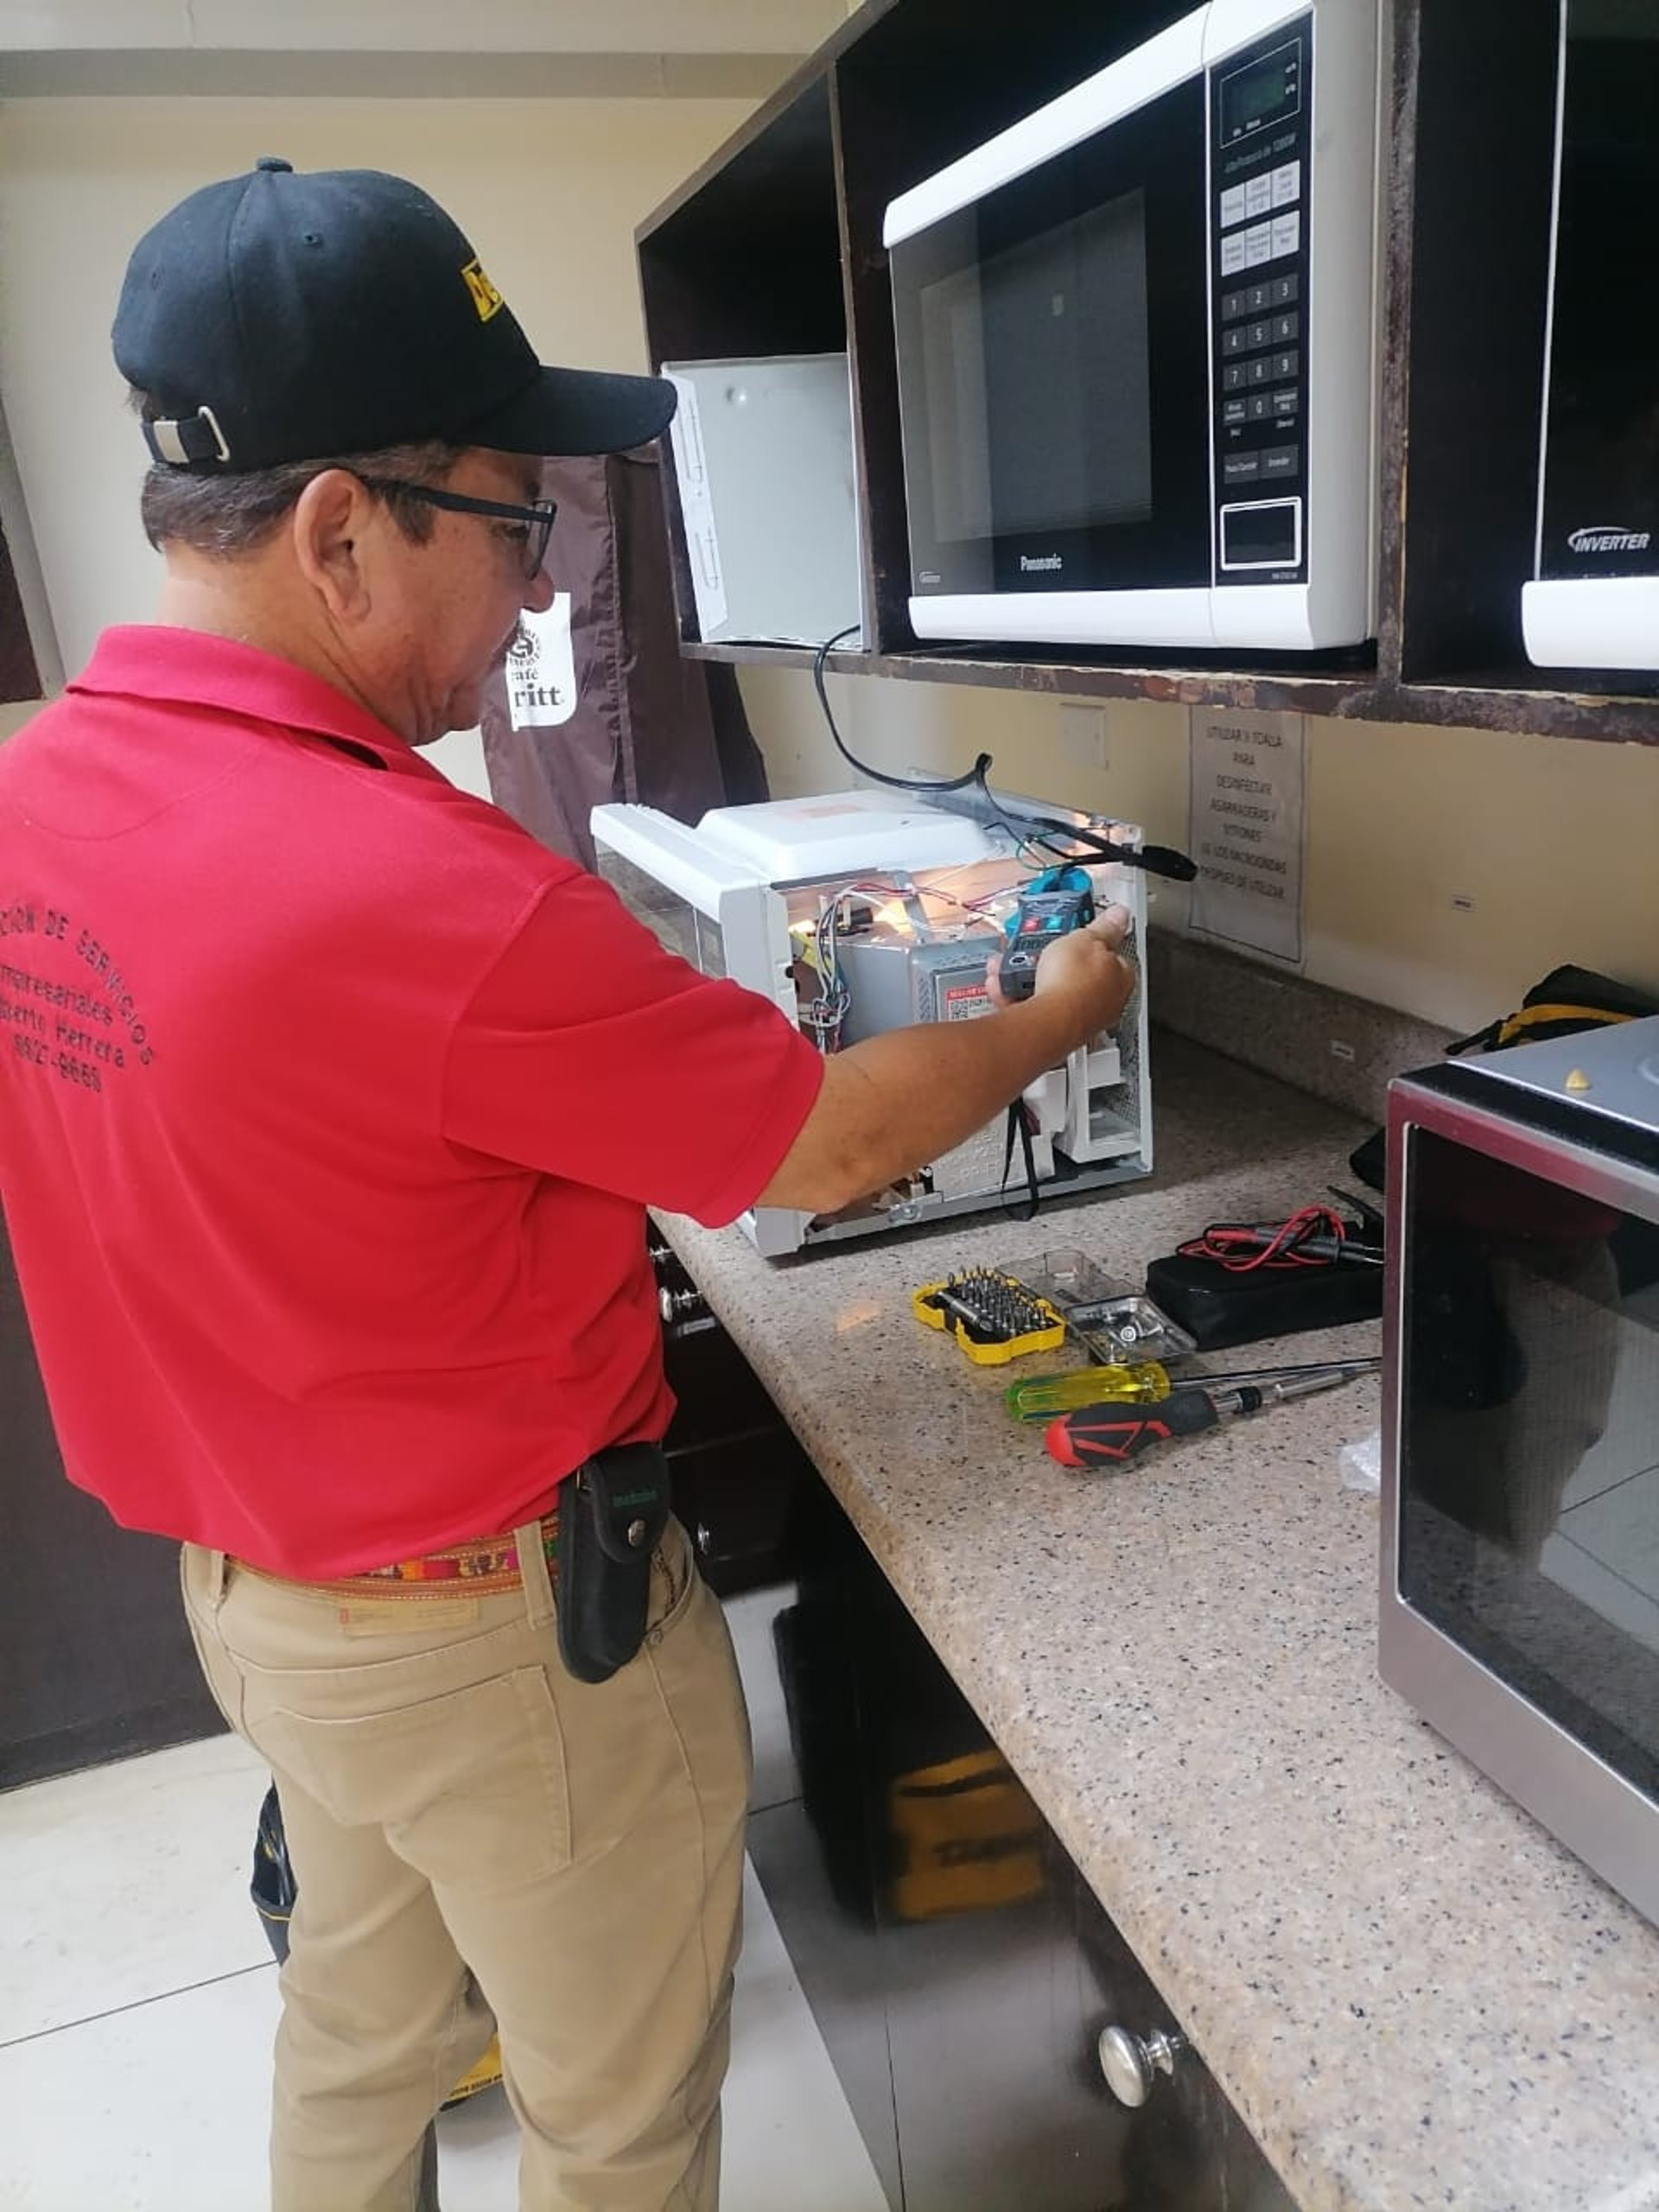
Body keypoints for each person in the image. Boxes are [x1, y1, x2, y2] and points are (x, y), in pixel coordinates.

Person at [0, 159, 1135, 2212]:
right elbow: (833, 1138)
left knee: (360, 2027)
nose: (540, 589)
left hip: (260, 1609)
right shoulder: (428, 891)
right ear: (344, 529)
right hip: (499, 1638)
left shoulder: (31, 798)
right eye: (521, 521)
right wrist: (1064, 1001)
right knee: (616, 2113)